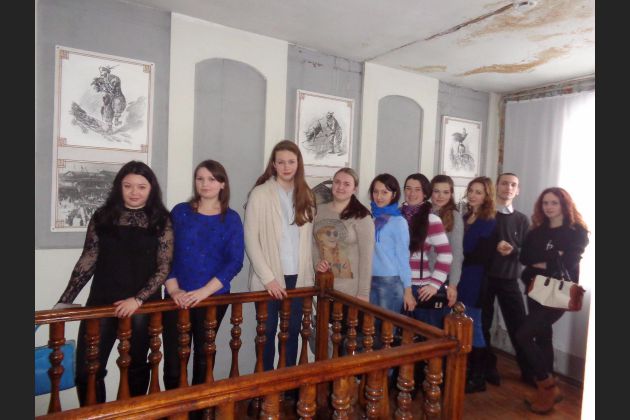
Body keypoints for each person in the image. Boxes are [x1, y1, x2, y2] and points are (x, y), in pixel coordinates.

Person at [54, 161, 173, 405]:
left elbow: (164, 267)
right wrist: (65, 300)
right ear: (119, 187)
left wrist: (137, 299)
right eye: (128, 186)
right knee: (87, 371)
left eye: (141, 186)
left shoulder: (161, 220)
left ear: (151, 189)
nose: (134, 192)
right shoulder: (102, 216)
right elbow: (88, 260)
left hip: (142, 305)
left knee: (136, 367)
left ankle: (132, 415)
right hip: (102, 301)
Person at [162, 160, 244, 402]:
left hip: (212, 299)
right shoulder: (180, 212)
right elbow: (165, 253)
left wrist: (203, 292)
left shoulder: (231, 218)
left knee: (203, 358)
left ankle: (199, 410)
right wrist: (174, 289)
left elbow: (235, 261)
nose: (205, 184)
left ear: (222, 184)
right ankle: (173, 411)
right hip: (176, 297)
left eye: (211, 179)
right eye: (200, 179)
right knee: (173, 362)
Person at [244, 140, 316, 385]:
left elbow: (308, 240)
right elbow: (251, 239)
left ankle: (287, 387)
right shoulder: (260, 193)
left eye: (291, 162)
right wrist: (268, 279)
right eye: (281, 162)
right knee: (265, 334)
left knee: (292, 333)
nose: (286, 167)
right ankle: (265, 389)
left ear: (298, 164)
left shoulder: (306, 194)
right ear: (273, 165)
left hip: (299, 277)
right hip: (270, 277)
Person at [515, 187, 589, 414]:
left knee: (522, 335)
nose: (548, 207)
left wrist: (545, 261)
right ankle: (545, 392)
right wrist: (554, 256)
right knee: (543, 337)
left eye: (554, 203)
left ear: (564, 205)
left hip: (559, 292)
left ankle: (547, 386)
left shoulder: (576, 231)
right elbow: (525, 257)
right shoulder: (537, 231)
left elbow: (568, 262)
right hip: (535, 289)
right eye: (545, 203)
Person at [481, 173, 532, 387]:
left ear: (517, 190)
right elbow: (473, 246)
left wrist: (514, 250)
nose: (508, 188)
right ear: (497, 187)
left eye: (513, 185)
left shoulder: (522, 220)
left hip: (509, 279)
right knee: (483, 324)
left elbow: (529, 253)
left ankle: (530, 371)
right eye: (504, 183)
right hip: (484, 278)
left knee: (519, 325)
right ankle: (487, 368)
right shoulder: (485, 215)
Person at [460, 176, 498, 393]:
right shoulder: (465, 217)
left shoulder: (489, 221)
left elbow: (481, 255)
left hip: (476, 278)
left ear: (486, 196)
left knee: (474, 325)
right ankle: (465, 370)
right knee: (461, 323)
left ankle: (478, 376)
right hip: (461, 276)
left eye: (479, 192)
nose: (473, 195)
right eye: (471, 191)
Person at [314, 167, 374, 300]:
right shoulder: (319, 211)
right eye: (337, 182)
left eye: (347, 184)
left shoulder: (362, 216)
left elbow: (366, 258)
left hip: (350, 292)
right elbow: (313, 243)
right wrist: (317, 262)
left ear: (354, 189)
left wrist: (363, 293)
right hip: (324, 287)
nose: (340, 187)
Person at [401, 173, 453, 328]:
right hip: (398, 285)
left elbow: (445, 254)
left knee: (427, 335)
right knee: (401, 335)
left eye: (417, 189)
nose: (412, 193)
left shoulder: (432, 220)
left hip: (421, 288)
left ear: (425, 193)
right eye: (408, 188)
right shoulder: (396, 216)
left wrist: (434, 285)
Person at [368, 173, 415, 329]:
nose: (379, 196)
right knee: (371, 332)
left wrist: (408, 290)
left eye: (384, 192)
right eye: (376, 192)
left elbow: (403, 257)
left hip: (391, 281)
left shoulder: (399, 221)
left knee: (387, 333)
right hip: (371, 279)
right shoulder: (372, 219)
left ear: (394, 195)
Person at [429, 175, 464, 310]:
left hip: (441, 278)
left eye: (445, 192)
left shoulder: (454, 216)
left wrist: (453, 285)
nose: (440, 196)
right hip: (422, 277)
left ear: (451, 194)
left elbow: (457, 253)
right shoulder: (424, 212)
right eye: (436, 191)